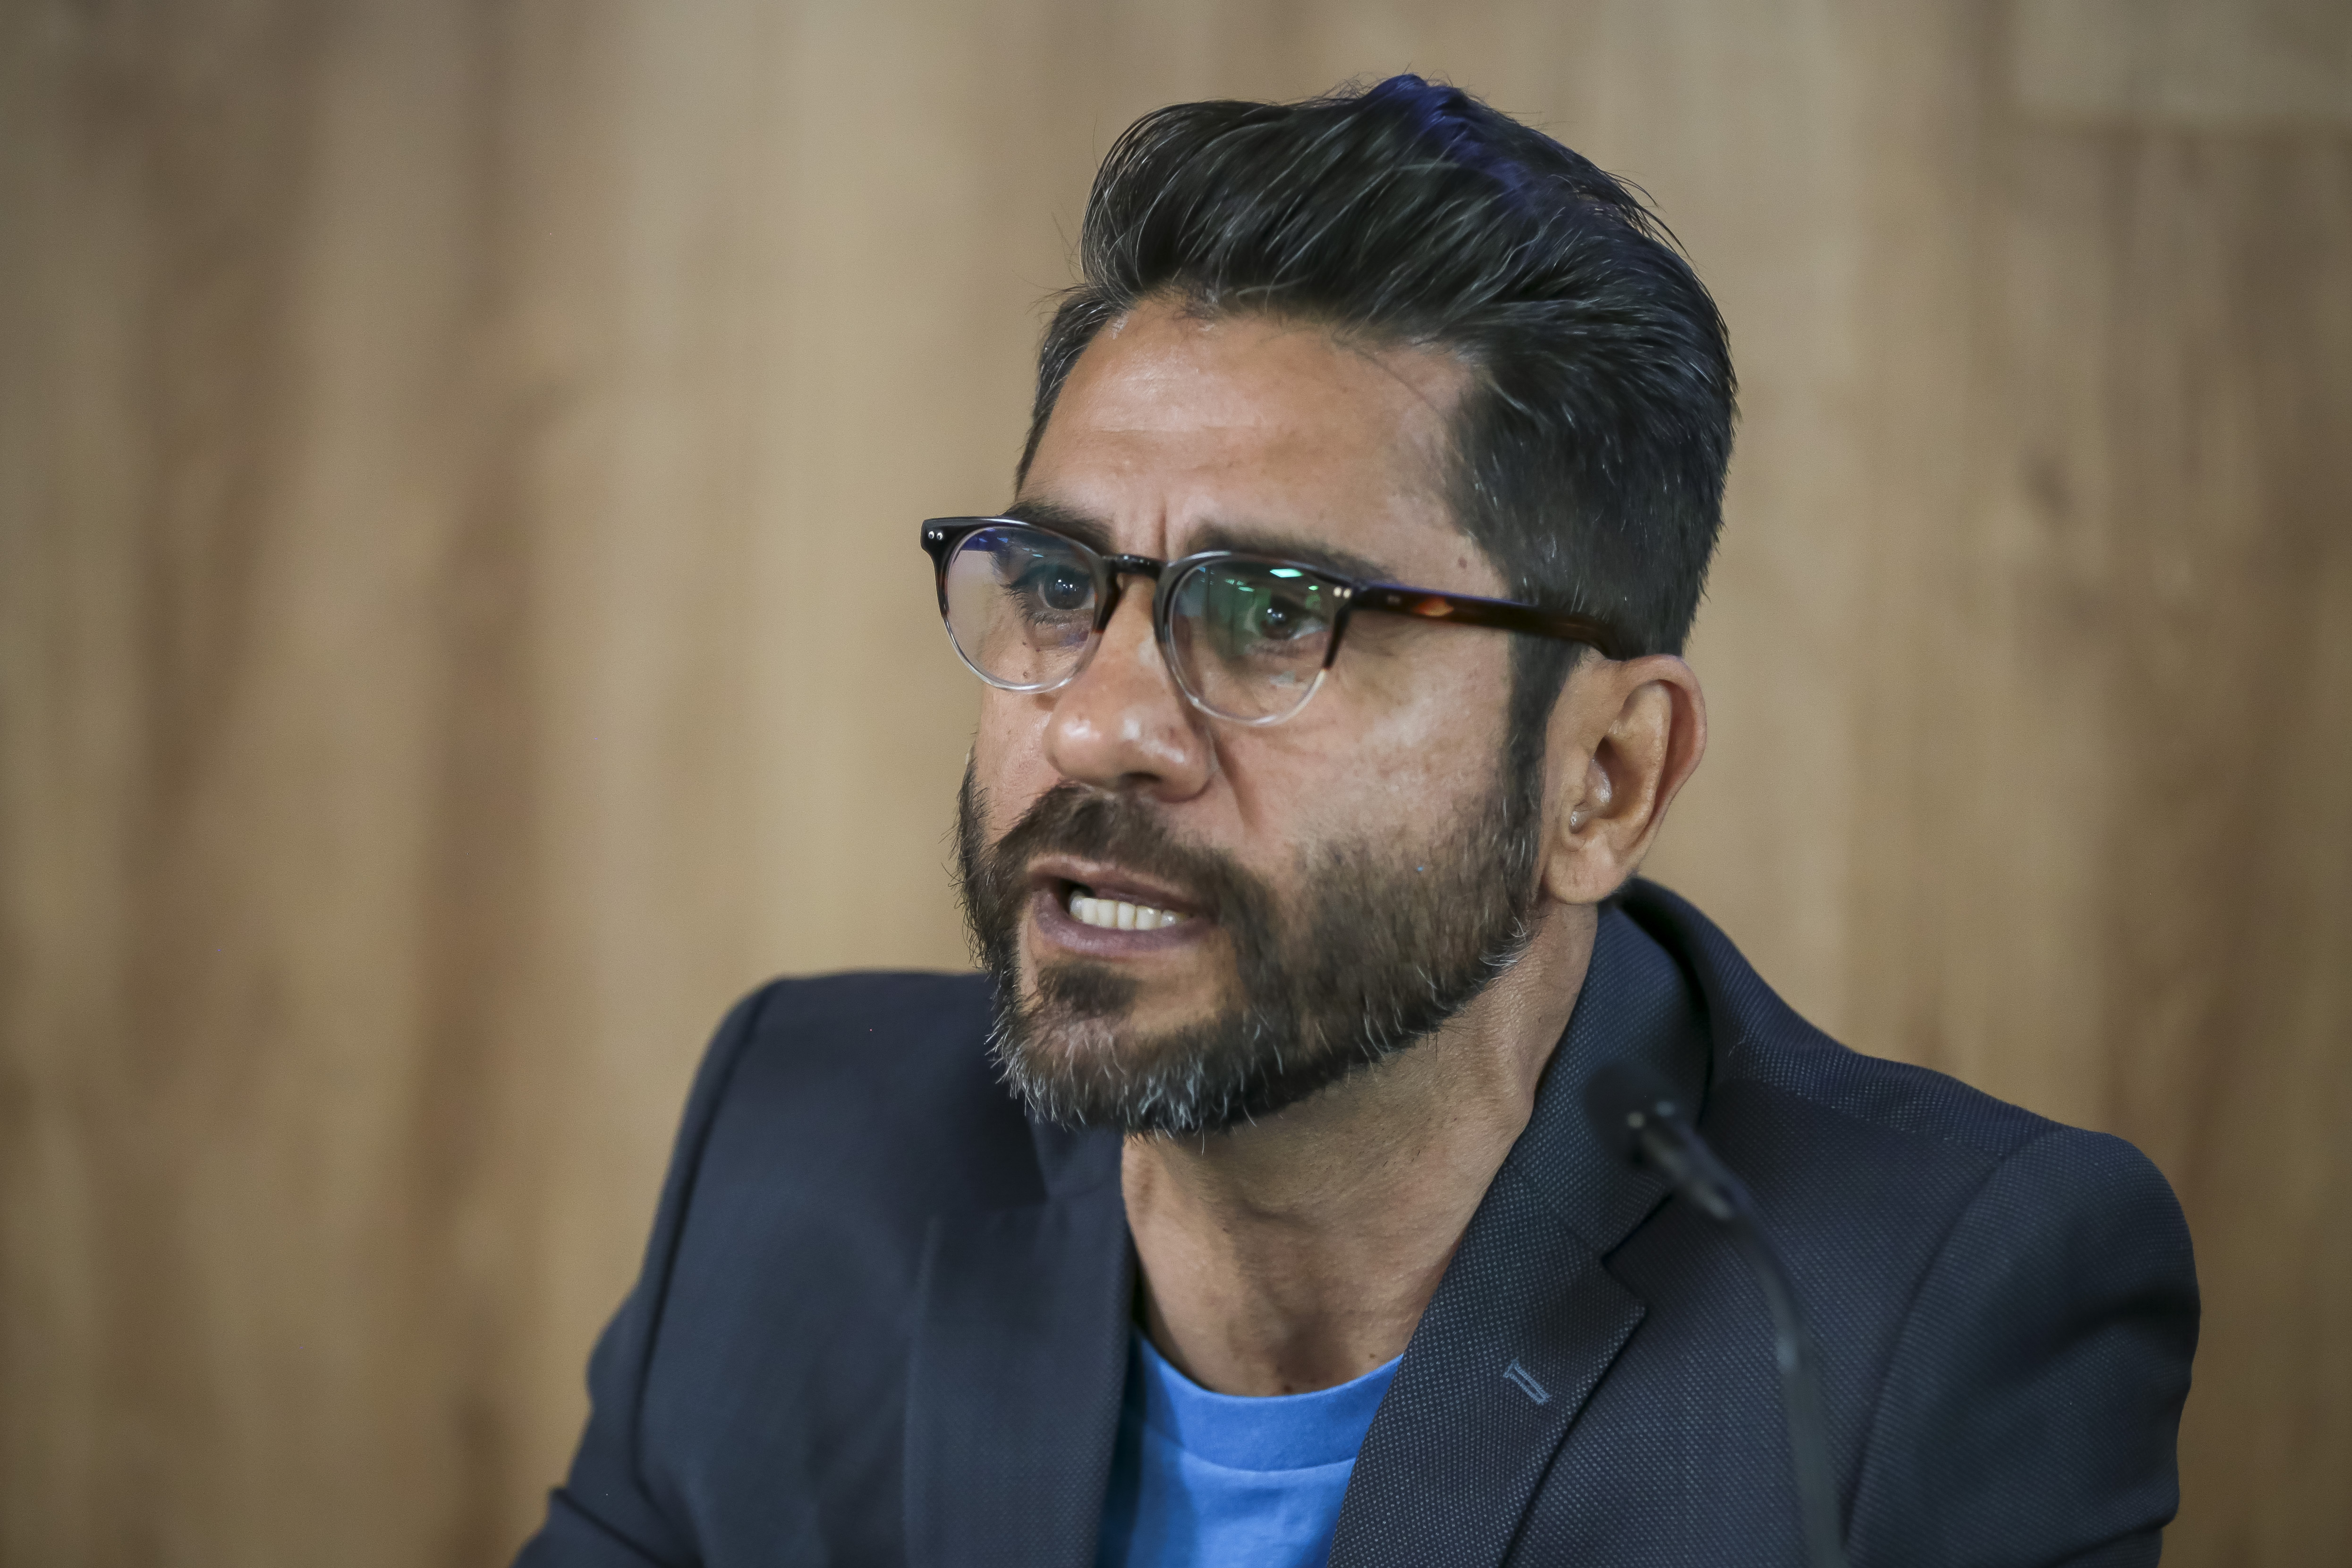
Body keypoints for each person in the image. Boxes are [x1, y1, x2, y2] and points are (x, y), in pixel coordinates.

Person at [515, 76, 2197, 1568]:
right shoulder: (801, 1153)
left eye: (1275, 613)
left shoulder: (1917, 1316)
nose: (1098, 725)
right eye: (1059, 584)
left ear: (1603, 779)